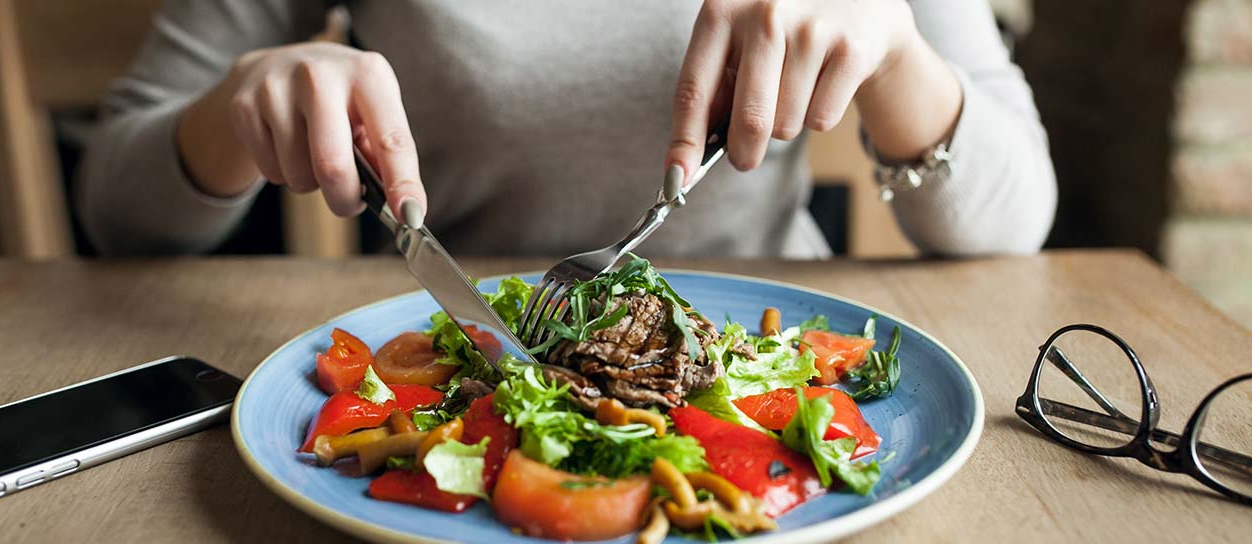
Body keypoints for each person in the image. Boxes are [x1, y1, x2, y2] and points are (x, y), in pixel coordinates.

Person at [77, 0, 1056, 257]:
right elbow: (120, 212)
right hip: (450, 367)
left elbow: (1013, 220)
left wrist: (895, 55)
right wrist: (239, 107)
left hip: (773, 371)